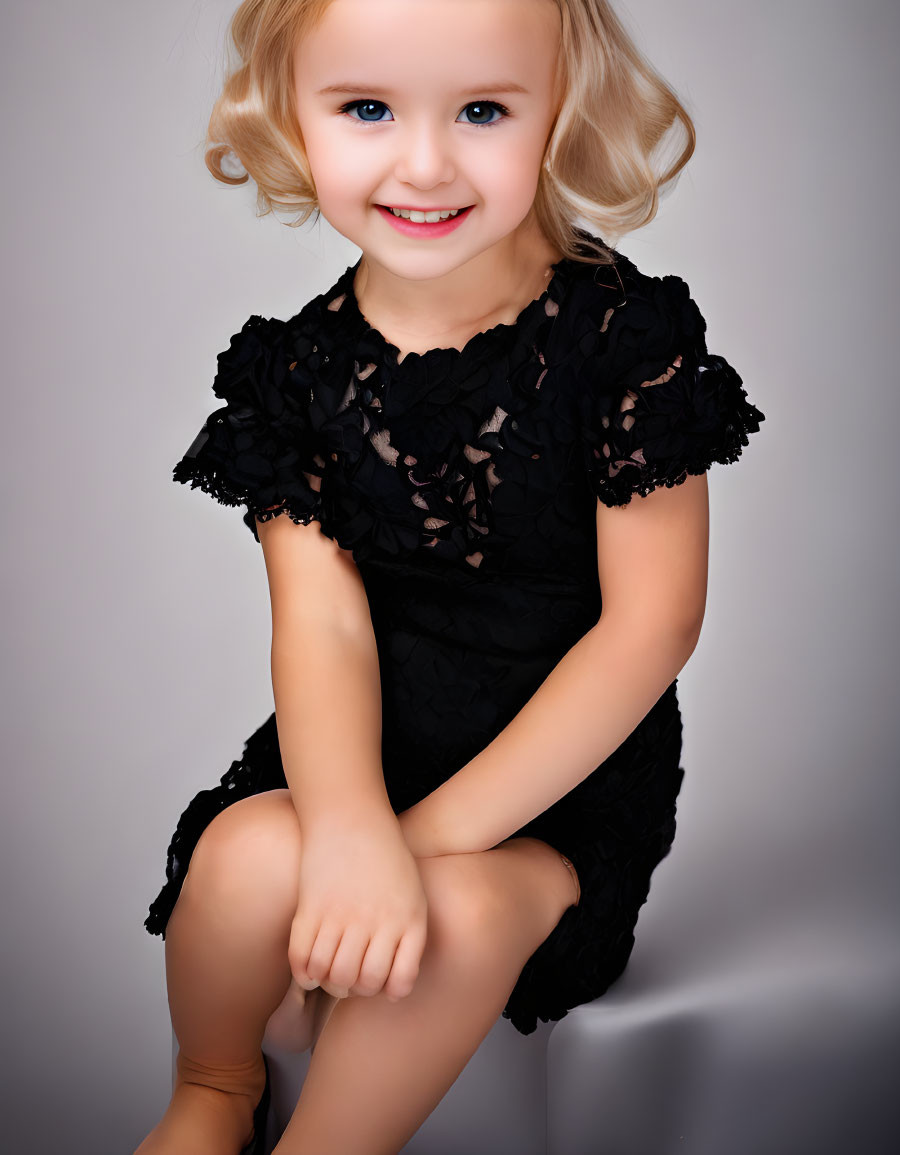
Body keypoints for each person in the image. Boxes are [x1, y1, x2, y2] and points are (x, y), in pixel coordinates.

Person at [136, 0, 765, 1151]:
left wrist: (409, 853)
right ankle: (214, 1087)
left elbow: (649, 629)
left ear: (555, 114)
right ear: (293, 116)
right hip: (361, 750)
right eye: (366, 108)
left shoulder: (622, 339)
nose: (422, 163)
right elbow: (321, 633)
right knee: (238, 858)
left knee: (460, 915)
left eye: (481, 110)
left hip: (555, 797)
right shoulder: (293, 376)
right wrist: (346, 830)